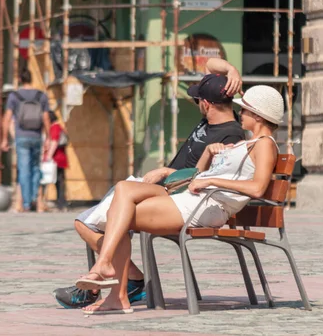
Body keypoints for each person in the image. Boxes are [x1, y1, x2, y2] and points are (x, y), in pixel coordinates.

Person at [74, 85, 284, 315]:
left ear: (257, 115)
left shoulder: (265, 144)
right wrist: (209, 155)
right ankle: (107, 273)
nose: (239, 114)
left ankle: (115, 290)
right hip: (193, 197)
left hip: (207, 206)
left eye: (243, 111)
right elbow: (198, 175)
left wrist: (212, 182)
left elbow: (258, 188)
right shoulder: (246, 144)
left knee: (121, 215)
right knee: (124, 190)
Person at [52, 59, 245, 309]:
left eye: (199, 100)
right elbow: (209, 65)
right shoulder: (211, 119)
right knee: (99, 210)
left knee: (118, 208)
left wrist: (167, 170)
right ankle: (120, 280)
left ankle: (109, 275)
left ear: (206, 104)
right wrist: (231, 70)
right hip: (168, 187)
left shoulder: (230, 135)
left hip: (179, 193)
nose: (198, 103)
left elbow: (203, 180)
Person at [1, 68, 50, 212]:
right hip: (36, 136)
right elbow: (46, 118)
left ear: (21, 80)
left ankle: (27, 203)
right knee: (36, 168)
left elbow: (7, 118)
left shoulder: (14, 96)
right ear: (31, 79)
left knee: (23, 169)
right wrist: (48, 137)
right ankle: (35, 198)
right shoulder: (41, 96)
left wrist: (4, 138)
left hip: (21, 136)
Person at [44, 111, 69, 211]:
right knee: (59, 182)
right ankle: (61, 203)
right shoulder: (58, 127)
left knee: (58, 181)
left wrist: (48, 156)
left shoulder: (54, 127)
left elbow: (54, 142)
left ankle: (61, 203)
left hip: (56, 159)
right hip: (60, 158)